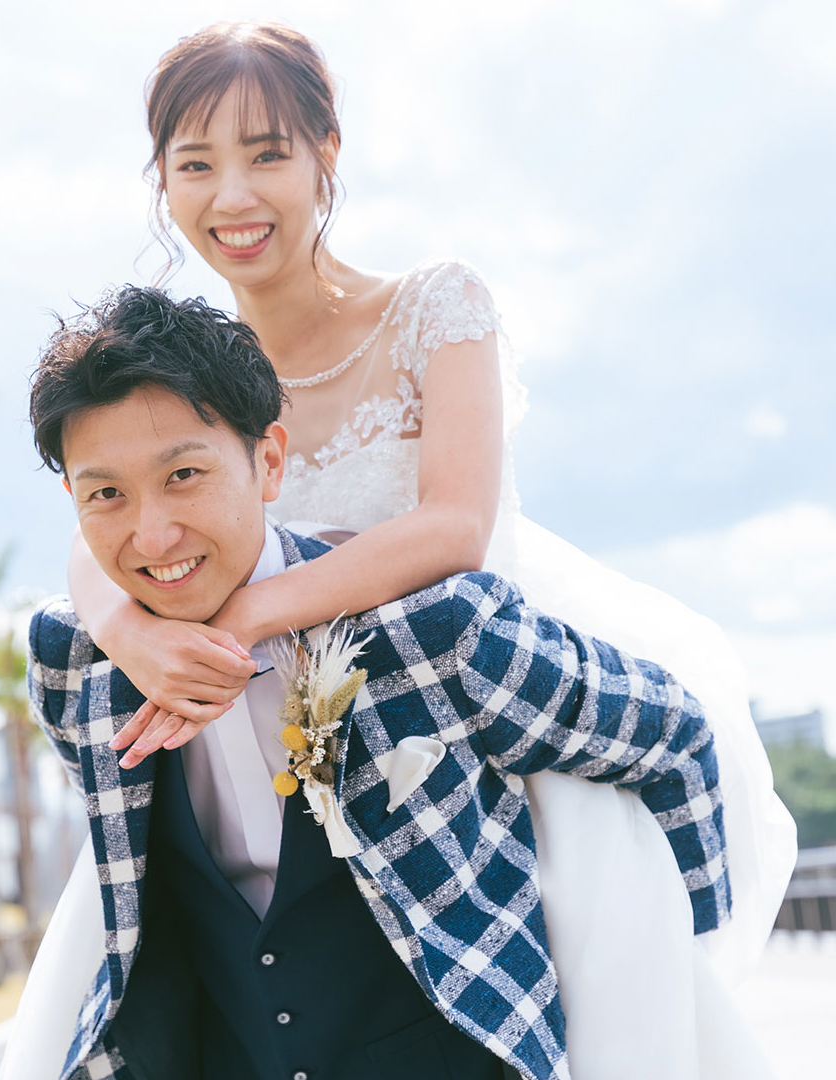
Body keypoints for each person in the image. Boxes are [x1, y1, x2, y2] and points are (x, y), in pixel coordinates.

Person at [63, 21, 794, 1079]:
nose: (234, 196)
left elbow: (454, 527)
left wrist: (242, 621)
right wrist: (134, 637)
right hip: (252, 756)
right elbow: (99, 523)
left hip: (469, 709)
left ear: (327, 153)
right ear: (162, 181)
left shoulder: (434, 308)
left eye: (267, 153)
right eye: (196, 164)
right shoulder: (185, 368)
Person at [4, 285, 731, 1080]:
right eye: (107, 493)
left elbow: (673, 734)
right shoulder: (74, 665)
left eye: (183, 474)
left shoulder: (433, 633)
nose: (152, 535)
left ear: (268, 462)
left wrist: (680, 963)